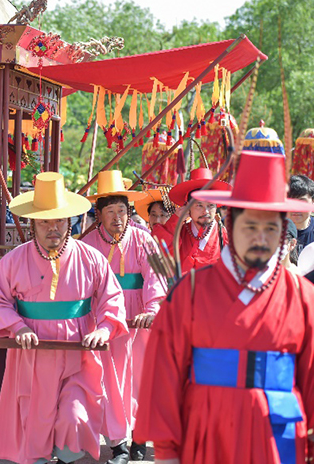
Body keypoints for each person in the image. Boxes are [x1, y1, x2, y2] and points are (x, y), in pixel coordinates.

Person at [135, 151, 314, 464]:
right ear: (231, 224)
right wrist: (165, 452)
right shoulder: (189, 293)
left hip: (280, 439)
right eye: (250, 226)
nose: (260, 238)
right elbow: (163, 377)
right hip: (207, 433)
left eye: (271, 228)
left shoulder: (303, 296)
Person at [0, 172, 128, 464]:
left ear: (69, 222)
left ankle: (67, 457)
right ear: (33, 223)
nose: (53, 227)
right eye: (45, 221)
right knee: (36, 423)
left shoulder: (91, 258)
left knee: (75, 418)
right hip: (34, 356)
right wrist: (17, 326)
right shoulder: (13, 260)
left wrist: (103, 328)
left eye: (59, 220)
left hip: (79, 354)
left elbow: (112, 297)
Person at [83, 171, 165, 462]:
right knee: (107, 379)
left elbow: (158, 275)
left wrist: (152, 308)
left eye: (122, 210)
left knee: (140, 378)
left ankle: (139, 439)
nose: (117, 217)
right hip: (104, 320)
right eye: (110, 211)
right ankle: (117, 443)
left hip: (138, 317)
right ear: (99, 214)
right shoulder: (87, 244)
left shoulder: (146, 240)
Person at [153, 167, 232, 273]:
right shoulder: (180, 231)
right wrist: (176, 220)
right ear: (187, 207)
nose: (206, 211)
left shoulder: (224, 235)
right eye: (199, 205)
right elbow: (157, 250)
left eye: (211, 205)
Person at [288, 174, 314, 250]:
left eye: (302, 202)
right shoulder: (275, 229)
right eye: (291, 202)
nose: (296, 208)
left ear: (313, 202)